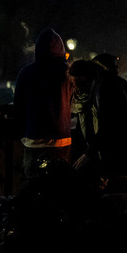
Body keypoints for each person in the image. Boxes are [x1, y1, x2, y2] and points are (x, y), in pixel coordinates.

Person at [13, 28, 75, 189]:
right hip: (62, 142)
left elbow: (18, 107)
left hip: (34, 140)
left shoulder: (27, 73)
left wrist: (22, 134)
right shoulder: (68, 74)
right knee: (59, 186)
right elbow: (74, 104)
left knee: (33, 186)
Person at [69, 56, 127, 178]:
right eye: (74, 85)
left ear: (88, 77)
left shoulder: (107, 88)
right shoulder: (92, 90)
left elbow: (110, 125)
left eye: (79, 84)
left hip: (116, 152)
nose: (77, 89)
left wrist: (89, 152)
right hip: (102, 151)